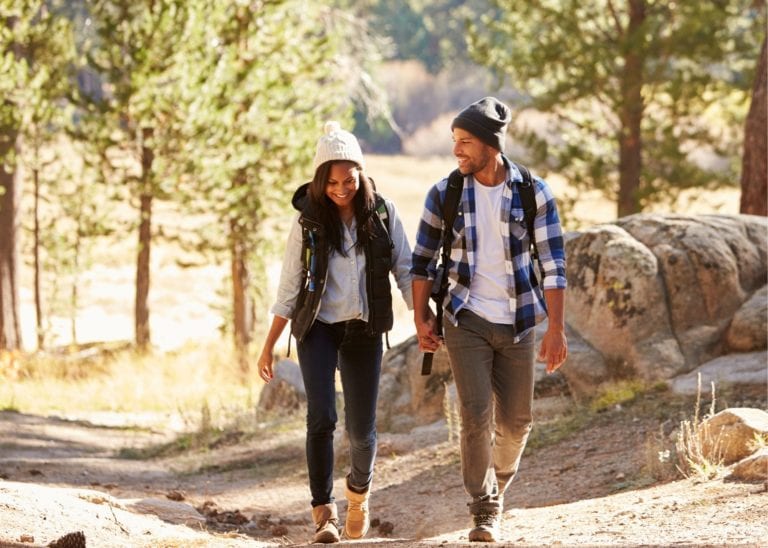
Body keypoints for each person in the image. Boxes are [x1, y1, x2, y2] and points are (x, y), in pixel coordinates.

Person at [411, 97, 568, 543]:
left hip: (519, 320)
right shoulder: (445, 193)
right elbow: (421, 263)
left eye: (465, 142)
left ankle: (496, 483)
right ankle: (483, 508)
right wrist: (421, 319)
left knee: (518, 421)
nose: (457, 151)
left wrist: (555, 329)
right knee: (475, 415)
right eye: (455, 142)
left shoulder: (532, 192)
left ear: (490, 145)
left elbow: (554, 266)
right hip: (465, 317)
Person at [257, 121, 413, 544]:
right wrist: (269, 345)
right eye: (331, 181)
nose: (341, 189)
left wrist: (423, 317)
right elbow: (289, 287)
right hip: (318, 329)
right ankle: (323, 512)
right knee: (322, 416)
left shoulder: (382, 213)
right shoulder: (308, 222)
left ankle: (358, 496)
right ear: (318, 180)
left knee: (361, 431)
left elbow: (405, 270)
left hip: (364, 329)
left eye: (348, 179)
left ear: (361, 173)